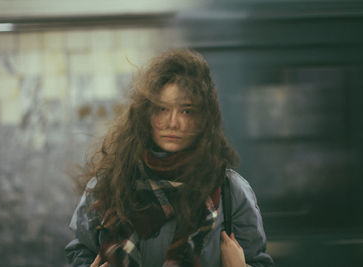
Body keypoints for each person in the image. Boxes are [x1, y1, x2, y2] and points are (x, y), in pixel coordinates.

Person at [65, 49, 274, 267]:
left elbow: (258, 260)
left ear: (203, 119)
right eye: (162, 109)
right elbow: (80, 250)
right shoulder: (108, 185)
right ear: (146, 114)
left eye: (186, 111)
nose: (172, 122)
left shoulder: (231, 192)